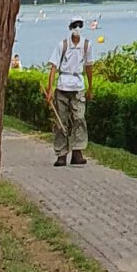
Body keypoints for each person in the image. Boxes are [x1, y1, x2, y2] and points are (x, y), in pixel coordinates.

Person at [48, 18, 92, 166]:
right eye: (75, 25)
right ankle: (61, 154)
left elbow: (89, 66)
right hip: (62, 86)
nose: (77, 28)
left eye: (80, 25)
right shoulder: (63, 45)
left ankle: (77, 152)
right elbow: (53, 66)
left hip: (78, 86)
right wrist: (50, 88)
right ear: (70, 27)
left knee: (79, 118)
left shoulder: (86, 45)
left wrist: (90, 87)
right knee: (62, 121)